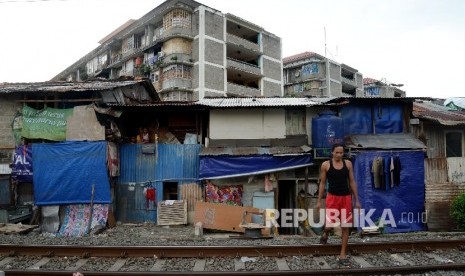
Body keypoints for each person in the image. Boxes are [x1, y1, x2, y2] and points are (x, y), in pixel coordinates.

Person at [316, 143, 361, 266]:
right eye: (337, 152)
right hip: (332, 198)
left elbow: (352, 181)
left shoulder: (348, 164)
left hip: (346, 198)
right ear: (332, 152)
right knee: (330, 225)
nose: (339, 155)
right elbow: (322, 183)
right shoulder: (326, 165)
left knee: (345, 227)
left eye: (341, 153)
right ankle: (325, 232)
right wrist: (319, 201)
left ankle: (342, 254)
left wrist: (357, 200)